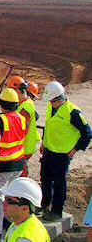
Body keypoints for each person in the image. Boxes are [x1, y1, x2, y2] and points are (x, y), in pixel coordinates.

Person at [40, 81, 91, 221]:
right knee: (45, 178)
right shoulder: (52, 107)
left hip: (62, 154)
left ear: (57, 99)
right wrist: (44, 143)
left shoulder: (72, 112)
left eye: (51, 100)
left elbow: (87, 132)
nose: (49, 103)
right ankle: (44, 204)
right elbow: (49, 125)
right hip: (49, 151)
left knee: (59, 183)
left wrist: (75, 149)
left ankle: (56, 211)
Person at [0, 88, 27, 238]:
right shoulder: (21, 118)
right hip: (18, 163)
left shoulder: (0, 120)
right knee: (10, 195)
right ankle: (9, 221)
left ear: (1, 103)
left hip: (3, 165)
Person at [7, 76, 37, 177]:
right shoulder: (24, 104)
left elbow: (20, 132)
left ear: (18, 90)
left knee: (20, 178)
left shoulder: (25, 108)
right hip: (22, 148)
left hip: (21, 150)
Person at [3, 177, 50, 242]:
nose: (3, 203)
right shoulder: (21, 223)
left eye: (9, 200)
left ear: (24, 208)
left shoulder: (25, 239)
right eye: (5, 198)